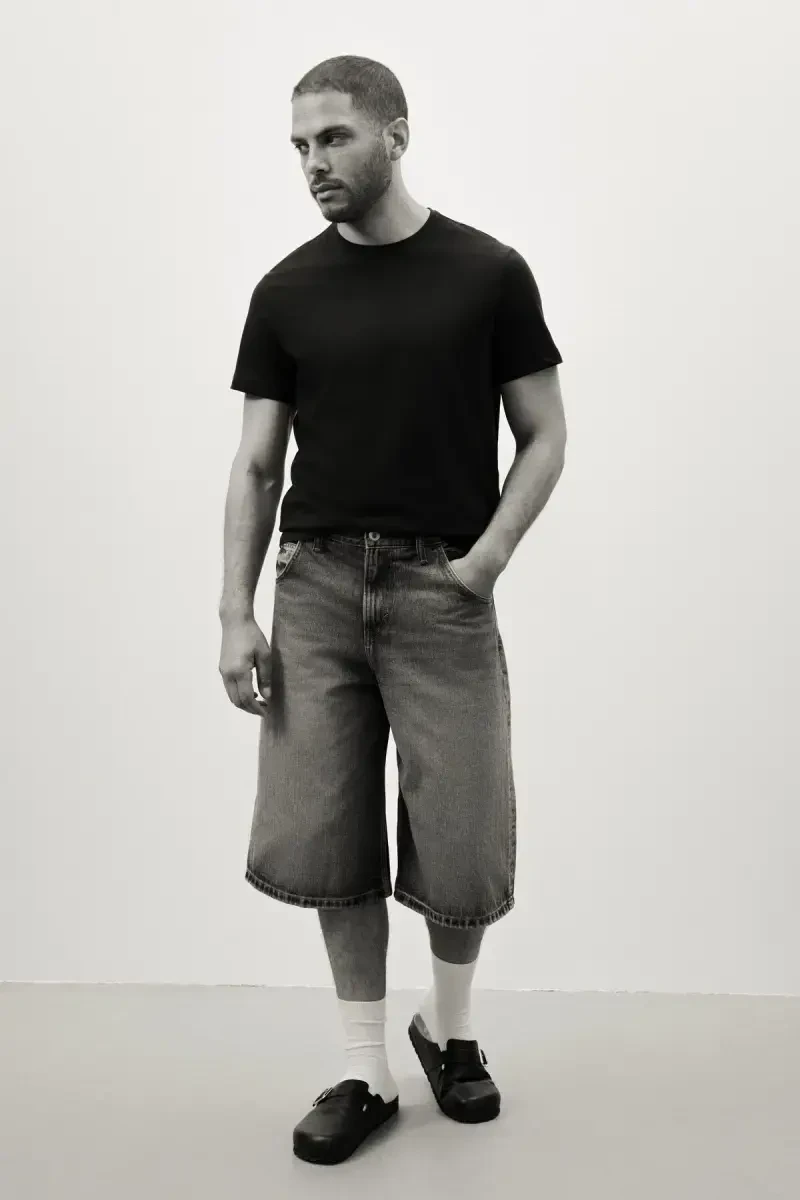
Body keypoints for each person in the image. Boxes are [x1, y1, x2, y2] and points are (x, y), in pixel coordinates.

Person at [219, 54, 567, 1166]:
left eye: (333, 137)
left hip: (440, 589)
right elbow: (256, 464)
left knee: (463, 842)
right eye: (299, 146)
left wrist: (484, 563)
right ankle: (364, 1068)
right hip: (315, 589)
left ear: (395, 134)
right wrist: (234, 613)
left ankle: (447, 1033)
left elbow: (545, 434)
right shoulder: (284, 292)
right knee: (328, 836)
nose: (313, 163)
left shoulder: (487, 273)